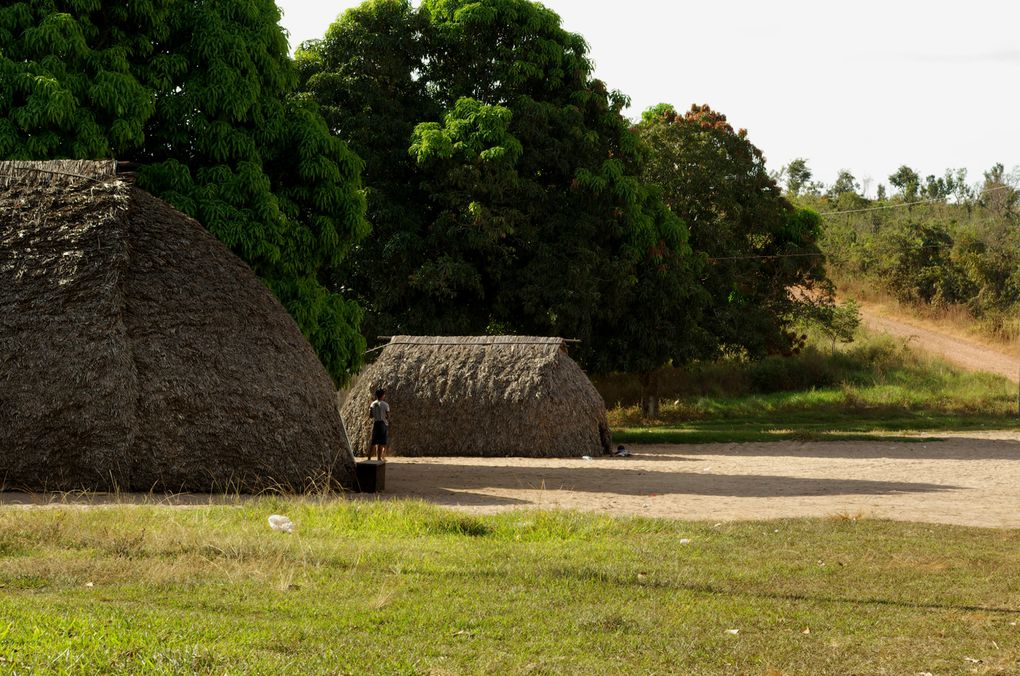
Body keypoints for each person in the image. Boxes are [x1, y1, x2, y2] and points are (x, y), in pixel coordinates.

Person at [368, 388, 390, 461]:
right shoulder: (385, 404)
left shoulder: (373, 404)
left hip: (376, 423)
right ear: (382, 395)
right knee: (381, 442)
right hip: (383, 424)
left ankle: (369, 458)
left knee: (373, 441)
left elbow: (370, 416)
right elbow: (388, 416)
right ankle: (379, 458)